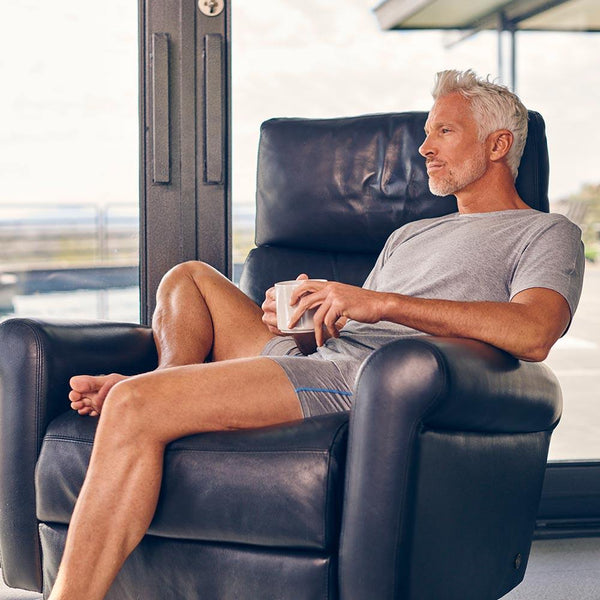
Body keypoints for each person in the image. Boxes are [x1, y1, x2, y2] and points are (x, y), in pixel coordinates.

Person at [48, 69, 584, 599]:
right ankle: (172, 381)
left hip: (367, 380)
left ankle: (142, 411)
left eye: (443, 131)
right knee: (189, 278)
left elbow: (534, 330)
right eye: (426, 132)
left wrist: (378, 303)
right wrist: (304, 321)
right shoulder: (411, 233)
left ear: (499, 144)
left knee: (135, 404)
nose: (423, 148)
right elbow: (349, 329)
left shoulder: (545, 232)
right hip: (322, 357)